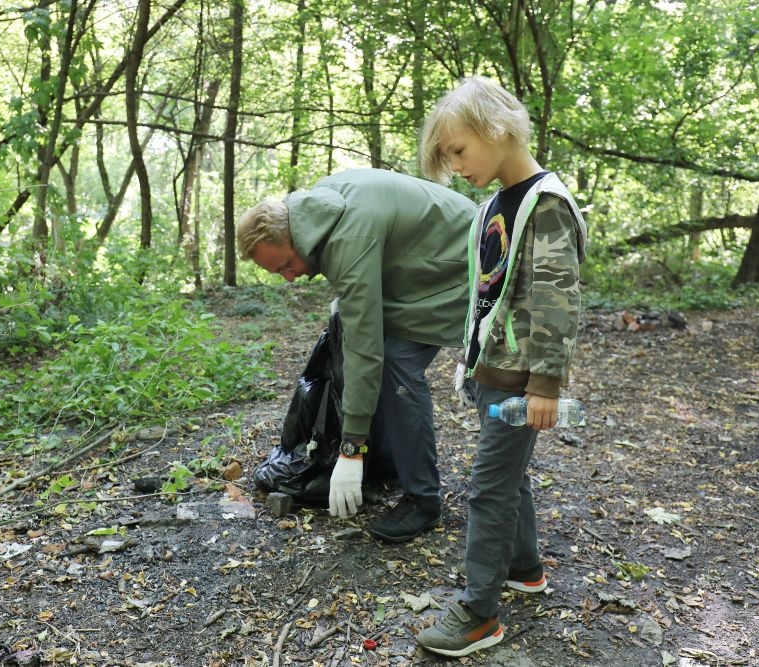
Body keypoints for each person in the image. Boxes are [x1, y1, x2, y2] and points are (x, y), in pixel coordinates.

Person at [414, 77, 588, 657]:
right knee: (506, 476)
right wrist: (471, 362)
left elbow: (556, 301)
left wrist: (545, 385)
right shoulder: (494, 203)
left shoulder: (547, 205)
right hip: (494, 373)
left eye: (458, 150)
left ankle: (480, 611)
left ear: (497, 129)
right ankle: (524, 568)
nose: (456, 166)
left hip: (523, 379)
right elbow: (489, 294)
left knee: (488, 487)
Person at [236, 168, 476, 542]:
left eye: (285, 265)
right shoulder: (318, 209)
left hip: (467, 267)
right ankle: (392, 463)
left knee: (395, 361)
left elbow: (365, 347)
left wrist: (350, 449)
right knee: (367, 345)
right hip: (427, 264)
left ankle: (423, 500)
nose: (289, 278)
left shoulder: (346, 238)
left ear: (295, 237)